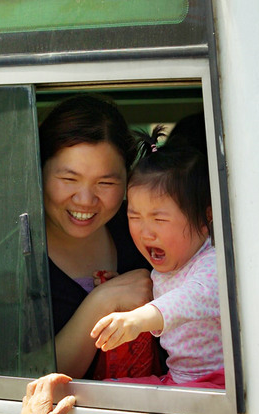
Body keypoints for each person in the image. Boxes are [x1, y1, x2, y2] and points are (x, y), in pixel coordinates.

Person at [90, 127, 225, 389]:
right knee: (107, 393)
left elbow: (188, 299)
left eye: (159, 219)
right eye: (134, 217)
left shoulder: (213, 264)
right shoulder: (169, 264)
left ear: (205, 219)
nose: (145, 231)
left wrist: (138, 319)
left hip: (217, 383)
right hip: (178, 379)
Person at [39, 94, 162, 380]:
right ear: (39, 170)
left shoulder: (144, 232)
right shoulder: (13, 254)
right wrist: (103, 301)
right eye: (69, 179)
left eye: (105, 183)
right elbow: (26, 380)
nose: (85, 200)